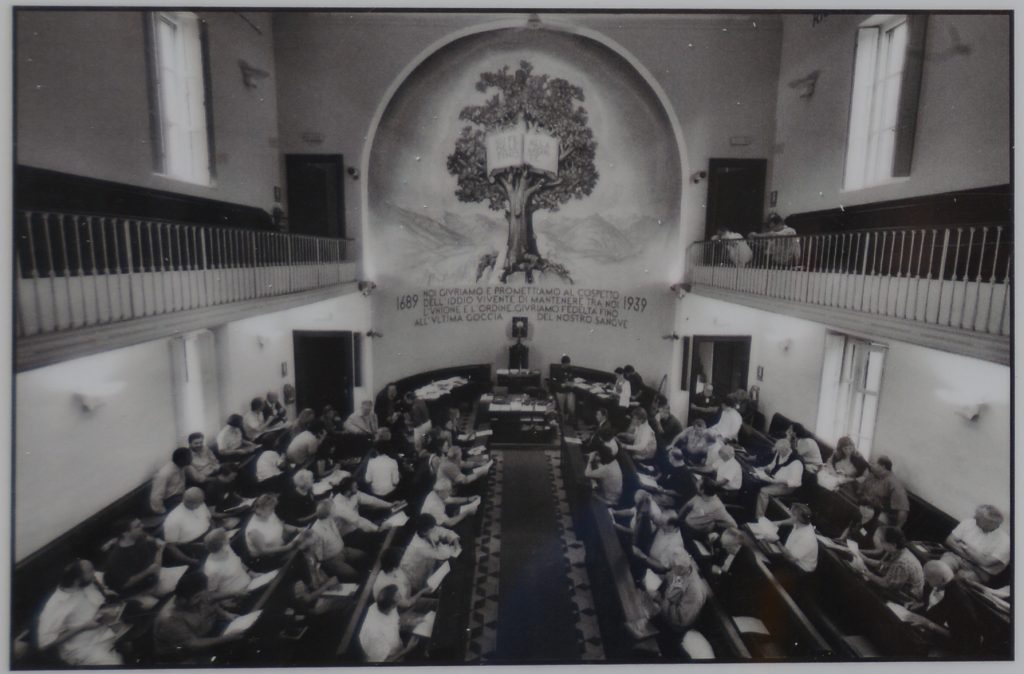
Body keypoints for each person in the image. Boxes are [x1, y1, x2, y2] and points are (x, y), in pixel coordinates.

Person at [37, 560, 124, 666]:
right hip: (83, 647)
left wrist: (105, 591)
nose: (94, 572)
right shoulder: (56, 605)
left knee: (139, 622)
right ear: (77, 580)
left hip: (105, 630)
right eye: (90, 571)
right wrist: (83, 627)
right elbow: (44, 644)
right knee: (114, 664)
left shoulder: (86, 583)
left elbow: (98, 589)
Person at [153, 571, 245, 661]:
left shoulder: (197, 596)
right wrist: (228, 638)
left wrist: (232, 597)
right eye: (197, 597)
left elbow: (210, 598)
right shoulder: (169, 619)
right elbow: (193, 644)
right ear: (182, 600)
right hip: (183, 654)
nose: (202, 600)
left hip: (205, 633)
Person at [905, 560, 983, 655]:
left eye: (928, 578)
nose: (925, 579)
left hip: (956, 643)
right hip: (932, 623)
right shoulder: (935, 584)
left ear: (942, 580)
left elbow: (958, 636)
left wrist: (926, 623)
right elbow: (932, 604)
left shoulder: (959, 601)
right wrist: (920, 604)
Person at [104, 518, 187, 606]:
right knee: (157, 605)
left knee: (183, 582)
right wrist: (149, 571)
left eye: (140, 523)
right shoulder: (117, 557)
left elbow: (152, 543)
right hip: (135, 592)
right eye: (137, 526)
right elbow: (123, 584)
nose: (142, 526)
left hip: (154, 579)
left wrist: (156, 544)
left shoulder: (140, 537)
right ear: (125, 533)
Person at [941, 504, 1010, 584]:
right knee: (942, 568)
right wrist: (976, 557)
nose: (974, 518)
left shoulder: (1005, 541)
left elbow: (986, 562)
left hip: (978, 572)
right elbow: (949, 540)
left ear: (991, 523)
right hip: (955, 557)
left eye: (978, 518)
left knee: (959, 580)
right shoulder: (969, 522)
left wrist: (964, 547)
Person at [852, 526, 924, 600]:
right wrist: (863, 558)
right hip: (897, 584)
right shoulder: (897, 551)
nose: (881, 544)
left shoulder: (902, 563)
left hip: (908, 596)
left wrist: (865, 572)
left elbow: (886, 584)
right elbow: (882, 564)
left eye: (883, 542)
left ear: (893, 544)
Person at [372, 547, 438, 628]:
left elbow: (407, 583)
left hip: (410, 598)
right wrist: (422, 592)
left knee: (435, 603)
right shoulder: (386, 586)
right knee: (428, 622)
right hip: (401, 613)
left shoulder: (393, 570)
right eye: (399, 562)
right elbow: (407, 604)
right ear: (394, 566)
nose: (401, 563)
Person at [649, 551, 707, 634]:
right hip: (664, 612)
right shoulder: (681, 571)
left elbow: (679, 620)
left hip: (673, 628)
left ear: (682, 568)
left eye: (673, 567)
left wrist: (660, 602)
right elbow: (668, 582)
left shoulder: (695, 591)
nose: (671, 570)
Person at [358, 585, 421, 662]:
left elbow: (394, 621)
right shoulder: (374, 633)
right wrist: (408, 649)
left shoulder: (382, 606)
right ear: (393, 605)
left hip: (399, 648)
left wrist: (409, 623)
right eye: (399, 597)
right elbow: (384, 662)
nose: (401, 597)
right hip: (390, 661)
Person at [400, 514, 459, 593]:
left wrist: (455, 542)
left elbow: (444, 531)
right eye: (432, 529)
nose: (434, 530)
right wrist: (451, 549)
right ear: (424, 532)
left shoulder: (427, 530)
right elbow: (443, 555)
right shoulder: (419, 547)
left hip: (428, 565)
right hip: (416, 578)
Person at [244, 493, 302, 571]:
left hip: (280, 547)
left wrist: (298, 529)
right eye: (271, 509)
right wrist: (286, 548)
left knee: (305, 539)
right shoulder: (253, 530)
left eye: (273, 508)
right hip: (265, 559)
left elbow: (283, 526)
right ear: (259, 510)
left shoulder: (269, 514)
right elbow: (264, 551)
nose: (273, 511)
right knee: (299, 553)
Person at [309, 500, 363, 581]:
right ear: (330, 512)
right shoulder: (316, 532)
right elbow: (318, 557)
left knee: (363, 556)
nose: (336, 509)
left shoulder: (331, 520)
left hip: (343, 550)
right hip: (332, 560)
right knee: (353, 575)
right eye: (334, 508)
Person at [752, 438, 804, 518]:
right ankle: (751, 511)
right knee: (754, 482)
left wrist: (779, 481)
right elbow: (772, 465)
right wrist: (762, 469)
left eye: (781, 451)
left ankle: (759, 518)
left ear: (787, 449)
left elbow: (796, 482)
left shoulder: (796, 462)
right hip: (774, 480)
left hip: (786, 486)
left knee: (763, 491)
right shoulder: (779, 453)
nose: (779, 453)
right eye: (778, 451)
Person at [202, 528, 256, 599]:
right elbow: (212, 595)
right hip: (236, 597)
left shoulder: (227, 548)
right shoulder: (212, 569)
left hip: (251, 584)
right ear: (223, 543)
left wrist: (252, 573)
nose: (228, 536)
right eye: (226, 536)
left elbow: (239, 564)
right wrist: (235, 594)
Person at [857, 455, 909, 528]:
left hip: (878, 514)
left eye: (873, 463)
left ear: (882, 467)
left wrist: (897, 529)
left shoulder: (894, 483)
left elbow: (903, 510)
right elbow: (860, 491)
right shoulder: (871, 475)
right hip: (864, 507)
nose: (870, 464)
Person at [184, 432, 236, 505]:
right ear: (190, 444)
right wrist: (216, 478)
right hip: (203, 480)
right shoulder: (187, 456)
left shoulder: (205, 448)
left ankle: (231, 496)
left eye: (201, 442)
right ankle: (218, 505)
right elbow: (198, 478)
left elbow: (215, 460)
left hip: (214, 471)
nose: (199, 445)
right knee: (218, 482)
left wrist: (218, 469)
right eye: (196, 443)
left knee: (231, 471)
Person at [162, 487, 214, 552]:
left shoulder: (200, 503)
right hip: (194, 546)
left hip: (210, 536)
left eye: (202, 501)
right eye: (200, 502)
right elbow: (171, 547)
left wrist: (214, 532)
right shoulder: (172, 520)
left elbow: (210, 519)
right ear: (191, 503)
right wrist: (192, 561)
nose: (202, 503)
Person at [775, 503, 818, 573]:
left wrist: (776, 541)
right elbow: (792, 520)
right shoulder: (802, 523)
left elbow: (791, 558)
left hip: (799, 569)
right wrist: (779, 522)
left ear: (796, 517)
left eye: (791, 513)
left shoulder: (806, 538)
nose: (790, 514)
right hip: (790, 558)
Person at [150, 447, 192, 514]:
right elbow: (156, 496)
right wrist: (163, 511)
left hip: (181, 495)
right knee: (191, 506)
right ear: (181, 459)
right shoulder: (165, 473)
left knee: (196, 496)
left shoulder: (181, 466)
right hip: (170, 500)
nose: (191, 459)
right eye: (189, 457)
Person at [584, 440, 623, 506]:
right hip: (615, 496)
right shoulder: (614, 462)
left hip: (608, 500)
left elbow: (587, 474)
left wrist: (590, 460)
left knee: (587, 487)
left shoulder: (605, 469)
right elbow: (601, 465)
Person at [552, 355, 577, 424]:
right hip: (560, 391)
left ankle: (570, 420)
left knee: (571, 407)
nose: (568, 365)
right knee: (560, 408)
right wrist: (560, 385)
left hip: (569, 391)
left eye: (569, 363)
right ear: (563, 363)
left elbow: (573, 379)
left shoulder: (570, 369)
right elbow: (553, 382)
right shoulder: (556, 370)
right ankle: (561, 421)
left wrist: (571, 383)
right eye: (567, 364)